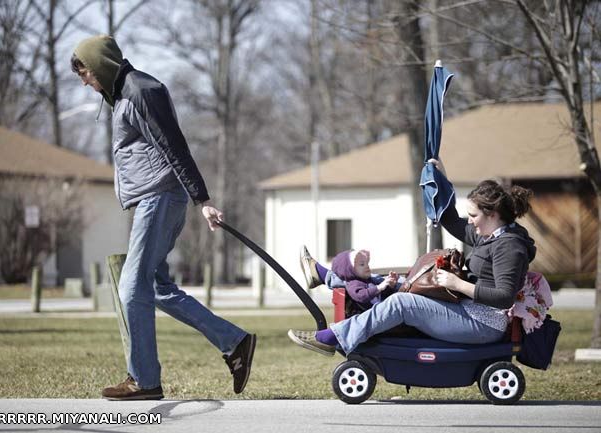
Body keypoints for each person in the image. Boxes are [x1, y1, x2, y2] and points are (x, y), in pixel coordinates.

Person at [70, 35, 256, 400]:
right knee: (155, 289)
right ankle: (234, 342)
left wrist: (202, 199)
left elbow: (173, 144)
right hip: (152, 200)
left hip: (159, 198)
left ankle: (144, 380)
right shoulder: (124, 94)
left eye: (86, 72)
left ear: (101, 65)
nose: (85, 82)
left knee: (130, 287)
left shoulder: (140, 90)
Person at [289, 159, 535, 356]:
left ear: (492, 214)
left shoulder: (509, 246)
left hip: (482, 324)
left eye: (473, 215)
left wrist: (457, 284)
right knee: (392, 282)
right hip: (465, 309)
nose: (469, 220)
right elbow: (450, 220)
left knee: (401, 303)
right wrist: (441, 178)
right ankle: (326, 276)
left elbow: (504, 297)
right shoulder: (490, 234)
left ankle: (335, 338)